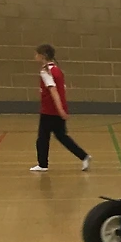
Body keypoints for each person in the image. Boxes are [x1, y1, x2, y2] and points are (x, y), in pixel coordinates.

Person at [30, 44, 90, 173]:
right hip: (55, 110)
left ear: (43, 56)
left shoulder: (46, 71)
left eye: (37, 54)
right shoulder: (57, 70)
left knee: (42, 138)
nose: (35, 56)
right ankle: (83, 156)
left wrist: (60, 109)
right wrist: (62, 108)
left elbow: (54, 91)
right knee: (62, 137)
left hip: (50, 111)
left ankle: (42, 164)